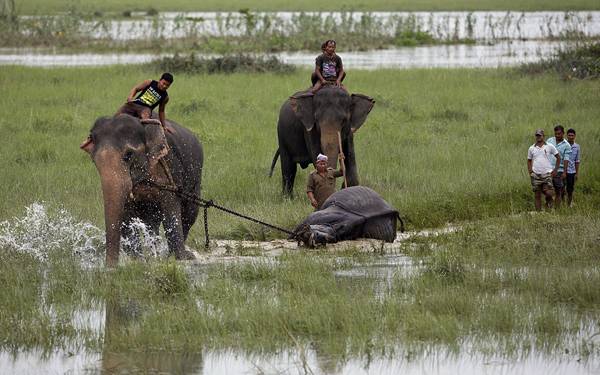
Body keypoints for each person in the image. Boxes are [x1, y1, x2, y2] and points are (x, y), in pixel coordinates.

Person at [527, 129, 561, 211]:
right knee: (537, 195)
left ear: (543, 136)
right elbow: (529, 160)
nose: (538, 137)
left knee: (548, 193)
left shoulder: (549, 146)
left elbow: (558, 157)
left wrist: (555, 170)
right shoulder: (531, 148)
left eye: (540, 135)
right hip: (536, 174)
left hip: (547, 174)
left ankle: (549, 207)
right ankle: (539, 213)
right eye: (537, 135)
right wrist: (530, 171)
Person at [546, 124, 572, 208]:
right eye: (556, 133)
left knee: (558, 191)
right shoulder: (550, 140)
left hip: (559, 171)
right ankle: (549, 206)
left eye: (559, 134)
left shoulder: (566, 145)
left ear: (563, 133)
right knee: (547, 191)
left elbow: (566, 159)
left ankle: (557, 209)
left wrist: (564, 172)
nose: (557, 135)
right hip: (548, 169)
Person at [565, 128, 580, 207]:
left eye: (572, 135)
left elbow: (577, 161)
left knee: (570, 190)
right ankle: (561, 204)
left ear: (575, 136)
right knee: (561, 188)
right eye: (569, 135)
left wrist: (577, 173)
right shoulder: (564, 144)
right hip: (563, 170)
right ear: (566, 136)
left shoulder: (577, 147)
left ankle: (569, 204)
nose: (571, 137)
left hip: (571, 171)